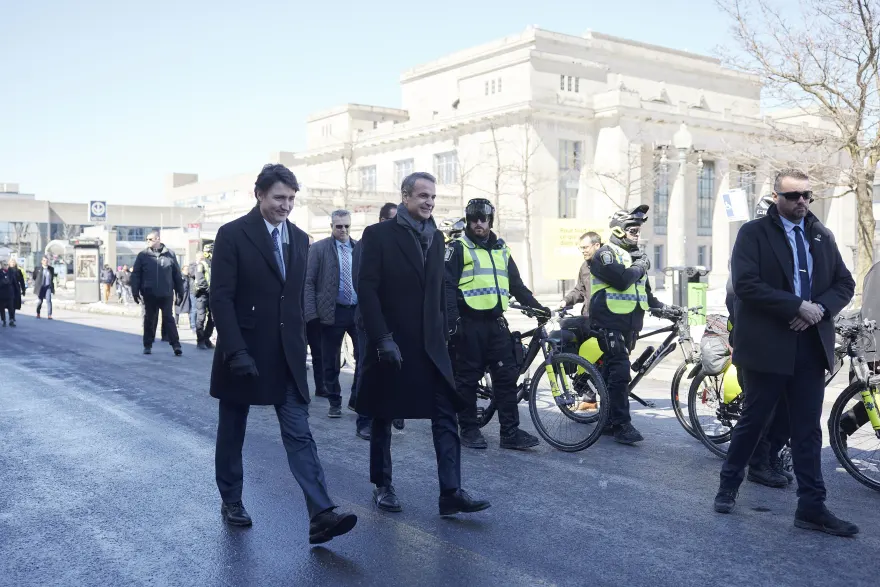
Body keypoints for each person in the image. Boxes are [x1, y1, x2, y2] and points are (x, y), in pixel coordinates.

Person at [210, 163, 356, 544]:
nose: (286, 205)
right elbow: (221, 298)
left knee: (299, 433)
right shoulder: (232, 235)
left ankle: (321, 513)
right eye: (279, 198)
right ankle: (231, 500)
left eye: (291, 199)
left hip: (286, 355)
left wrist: (309, 344)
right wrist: (235, 351)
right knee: (233, 431)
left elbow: (292, 299)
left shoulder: (300, 237)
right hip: (243, 353)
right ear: (259, 194)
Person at [714, 168, 858, 537]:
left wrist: (819, 310)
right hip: (768, 343)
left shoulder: (821, 235)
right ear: (776, 197)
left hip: (810, 343)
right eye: (793, 196)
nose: (802, 202)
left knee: (807, 429)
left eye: (807, 195)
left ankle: (812, 506)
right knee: (755, 419)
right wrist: (796, 306)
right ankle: (729, 483)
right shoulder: (754, 233)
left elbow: (844, 283)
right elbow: (746, 284)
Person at [356, 171, 490, 516]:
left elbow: (437, 291)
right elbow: (367, 290)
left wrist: (448, 331)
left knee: (446, 414)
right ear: (405, 197)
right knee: (385, 414)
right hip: (393, 343)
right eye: (422, 196)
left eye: (432, 196)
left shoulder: (438, 238)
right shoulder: (379, 234)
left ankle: (451, 491)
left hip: (432, 347)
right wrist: (382, 338)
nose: (429, 201)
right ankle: (382, 486)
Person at [445, 198, 549, 450]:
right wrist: (453, 322)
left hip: (496, 324)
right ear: (468, 220)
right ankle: (469, 429)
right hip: (468, 324)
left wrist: (537, 308)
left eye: (483, 218)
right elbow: (446, 286)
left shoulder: (502, 249)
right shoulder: (458, 247)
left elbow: (516, 285)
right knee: (467, 379)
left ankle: (510, 433)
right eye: (474, 219)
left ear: (491, 220)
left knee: (505, 378)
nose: (479, 223)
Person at [589, 205, 670, 445]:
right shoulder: (605, 254)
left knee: (612, 372)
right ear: (619, 229)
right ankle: (622, 425)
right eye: (632, 228)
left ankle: (606, 420)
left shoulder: (635, 256)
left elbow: (644, 294)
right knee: (621, 371)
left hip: (630, 323)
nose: (637, 232)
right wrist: (640, 266)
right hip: (608, 321)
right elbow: (623, 281)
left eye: (638, 228)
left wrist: (665, 309)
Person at [350, 202, 403, 440]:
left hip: (395, 319)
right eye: (394, 220)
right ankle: (364, 420)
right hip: (370, 319)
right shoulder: (368, 242)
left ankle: (391, 412)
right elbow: (361, 283)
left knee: (395, 365)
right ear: (382, 220)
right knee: (367, 367)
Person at [305, 210, 361, 419]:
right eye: (339, 226)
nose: (344, 230)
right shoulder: (319, 249)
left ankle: (356, 399)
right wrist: (312, 314)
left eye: (347, 226)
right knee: (330, 360)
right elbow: (308, 282)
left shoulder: (359, 248)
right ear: (331, 227)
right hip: (331, 312)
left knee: (363, 359)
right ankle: (334, 401)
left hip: (357, 312)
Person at [131, 231, 184, 356]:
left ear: (158, 239)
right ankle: (147, 345)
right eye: (147, 239)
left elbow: (176, 274)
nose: (148, 241)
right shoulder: (143, 255)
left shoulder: (170, 254)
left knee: (169, 319)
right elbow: (136, 275)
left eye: (150, 239)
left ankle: (176, 345)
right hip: (149, 293)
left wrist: (180, 292)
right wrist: (135, 291)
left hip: (166, 293)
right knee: (149, 319)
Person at [563, 231, 602, 317]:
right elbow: (580, 291)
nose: (583, 251)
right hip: (588, 318)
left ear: (597, 246)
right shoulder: (584, 266)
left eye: (585, 247)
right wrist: (565, 301)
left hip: (607, 320)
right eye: (581, 248)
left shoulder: (610, 264)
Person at [305, 235, 325, 400]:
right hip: (295, 317)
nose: (309, 249)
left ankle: (321, 386)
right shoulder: (293, 262)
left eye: (311, 246)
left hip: (313, 316)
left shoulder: (317, 264)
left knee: (318, 352)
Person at [194, 243, 215, 350]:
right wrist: (209, 290)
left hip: (212, 294)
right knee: (201, 318)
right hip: (202, 294)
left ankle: (206, 338)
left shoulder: (215, 264)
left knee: (213, 318)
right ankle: (200, 340)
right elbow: (201, 280)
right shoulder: (201, 264)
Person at [6, 258, 26, 327]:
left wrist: (23, 290)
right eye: (11, 262)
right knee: (9, 304)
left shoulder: (18, 271)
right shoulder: (6, 271)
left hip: (16, 289)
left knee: (14, 304)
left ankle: (12, 317)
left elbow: (22, 281)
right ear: (9, 263)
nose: (12, 263)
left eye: (13, 262)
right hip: (8, 289)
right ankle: (10, 318)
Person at [0, 261, 14, 327]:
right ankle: (3, 320)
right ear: (1, 265)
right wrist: (3, 282)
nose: (6, 266)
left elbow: (13, 281)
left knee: (11, 308)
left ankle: (11, 320)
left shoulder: (10, 272)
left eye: (7, 265)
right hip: (2, 294)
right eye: (4, 265)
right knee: (2, 308)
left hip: (9, 293)